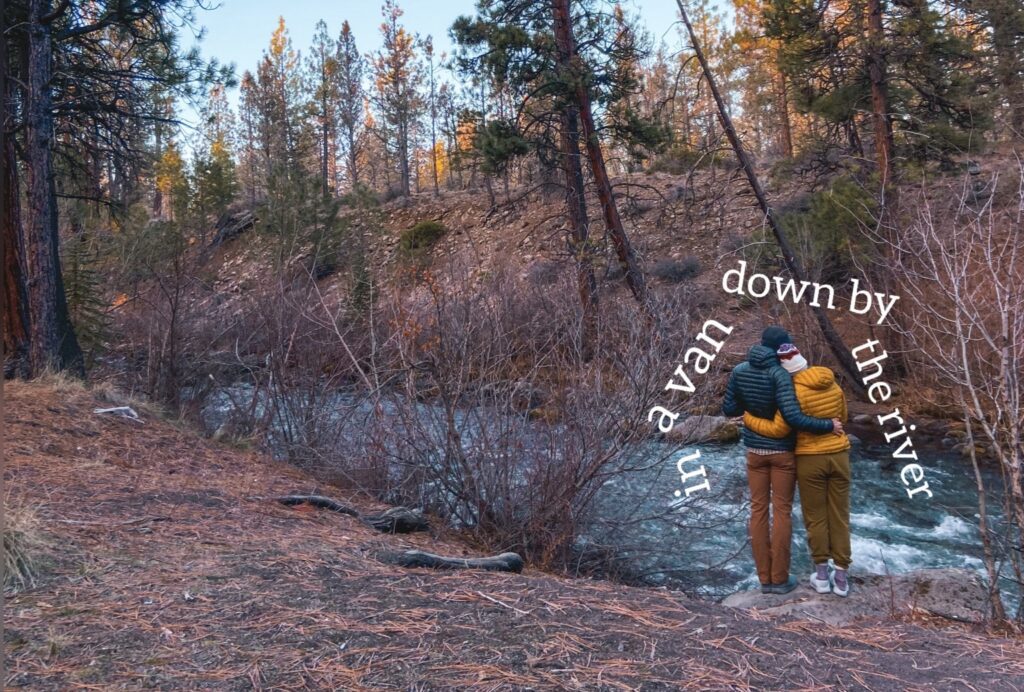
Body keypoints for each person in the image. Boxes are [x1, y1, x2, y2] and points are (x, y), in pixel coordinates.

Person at [722, 327, 843, 595]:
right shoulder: (781, 374)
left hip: (754, 452)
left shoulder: (739, 371)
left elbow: (729, 409)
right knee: (782, 512)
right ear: (779, 349)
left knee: (758, 511)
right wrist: (828, 425)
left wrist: (750, 413)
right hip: (782, 454)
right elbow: (793, 418)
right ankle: (780, 579)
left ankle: (764, 580)